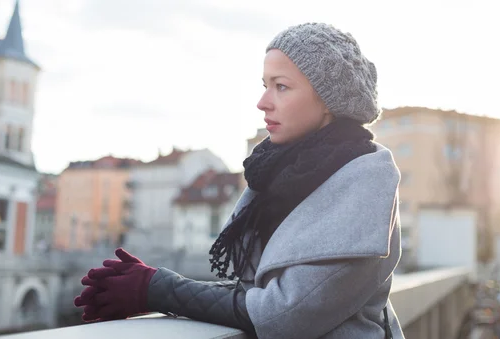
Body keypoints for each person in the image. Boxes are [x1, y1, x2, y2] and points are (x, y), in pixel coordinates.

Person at [74, 22, 405, 339]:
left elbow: (283, 314)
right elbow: (255, 291)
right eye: (265, 86)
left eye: (282, 86)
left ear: (329, 102)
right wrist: (152, 283)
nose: (262, 103)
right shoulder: (278, 176)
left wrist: (157, 289)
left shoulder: (364, 185)